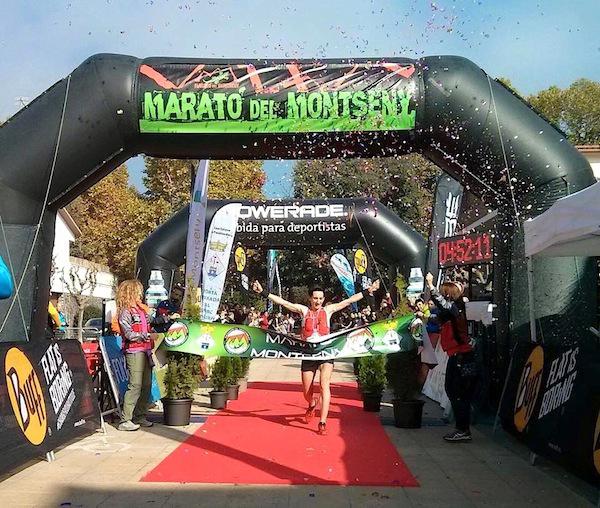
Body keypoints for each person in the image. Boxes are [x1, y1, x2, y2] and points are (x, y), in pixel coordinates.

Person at [252, 279, 380, 435]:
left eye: (320, 298)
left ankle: (322, 422)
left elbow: (349, 300)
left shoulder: (329, 310)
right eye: (315, 298)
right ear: (310, 298)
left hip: (326, 352)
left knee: (325, 385)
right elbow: (284, 302)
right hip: (308, 354)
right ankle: (312, 403)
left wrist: (368, 290)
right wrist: (263, 292)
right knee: (307, 391)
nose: (318, 301)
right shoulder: (303, 310)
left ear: (323, 299)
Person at [425, 272, 477, 443]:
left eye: (445, 292)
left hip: (462, 355)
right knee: (454, 391)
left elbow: (443, 306)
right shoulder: (453, 311)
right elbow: (439, 315)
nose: (443, 295)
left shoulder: (457, 309)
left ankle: (463, 429)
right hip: (458, 355)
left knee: (458, 392)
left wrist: (431, 286)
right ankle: (462, 427)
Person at [116, 279, 154, 431]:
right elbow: (129, 334)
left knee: (147, 384)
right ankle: (125, 419)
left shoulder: (141, 310)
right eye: (138, 291)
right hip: (134, 351)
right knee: (135, 384)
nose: (140, 294)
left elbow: (151, 323)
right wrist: (147, 336)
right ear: (130, 292)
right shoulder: (125, 312)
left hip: (146, 350)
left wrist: (165, 319)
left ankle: (140, 415)